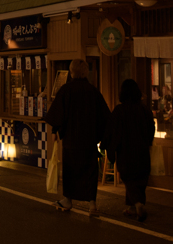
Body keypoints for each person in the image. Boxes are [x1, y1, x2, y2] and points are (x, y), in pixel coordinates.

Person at [44, 58, 111, 216]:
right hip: (89, 140)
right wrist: (101, 138)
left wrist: (55, 131)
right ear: (85, 71)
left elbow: (58, 113)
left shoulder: (66, 90)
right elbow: (105, 117)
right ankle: (92, 204)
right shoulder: (93, 91)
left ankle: (68, 200)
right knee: (90, 172)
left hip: (71, 140)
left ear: (71, 71)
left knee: (70, 170)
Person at [104, 79, 155, 222]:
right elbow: (151, 128)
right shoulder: (144, 109)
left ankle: (138, 205)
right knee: (141, 180)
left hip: (126, 151)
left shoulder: (120, 111)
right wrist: (148, 142)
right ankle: (133, 207)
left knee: (130, 180)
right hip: (143, 151)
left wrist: (110, 148)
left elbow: (112, 132)